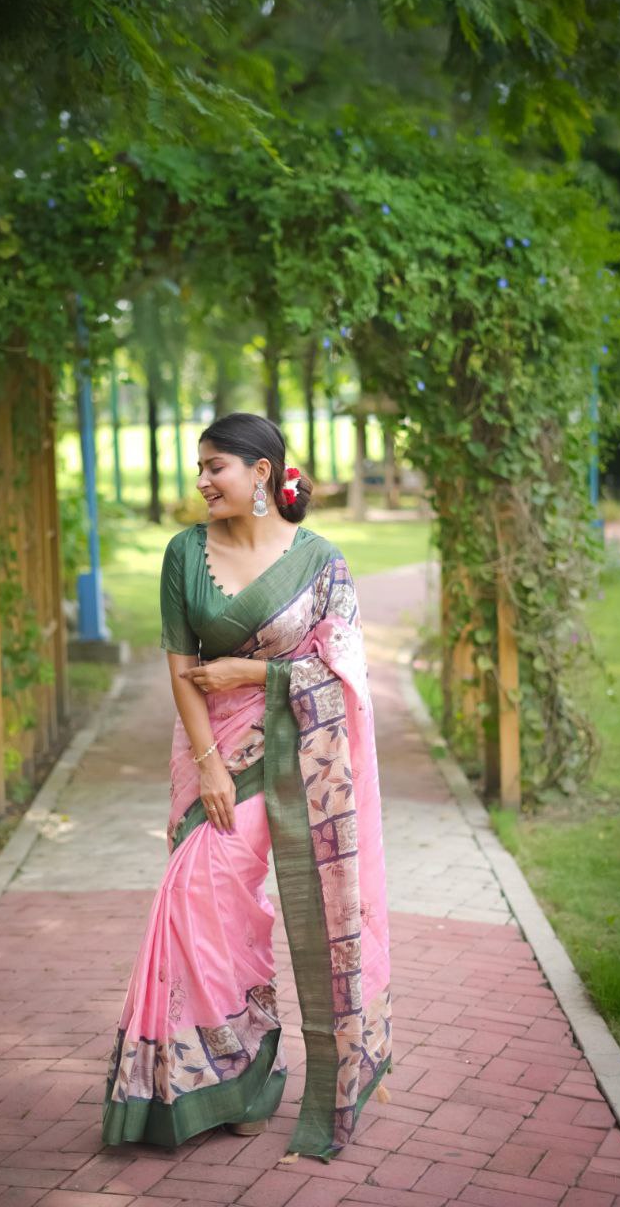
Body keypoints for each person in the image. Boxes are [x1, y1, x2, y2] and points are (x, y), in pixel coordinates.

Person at [101, 412, 392, 1163]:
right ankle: (233, 1072)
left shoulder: (320, 561)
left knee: (281, 908)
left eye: (215, 467)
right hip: (213, 758)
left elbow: (345, 672)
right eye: (199, 467)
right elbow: (179, 667)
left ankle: (281, 1063)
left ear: (261, 473)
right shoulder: (182, 555)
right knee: (202, 901)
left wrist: (253, 673)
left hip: (302, 761)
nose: (201, 481)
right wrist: (206, 764)